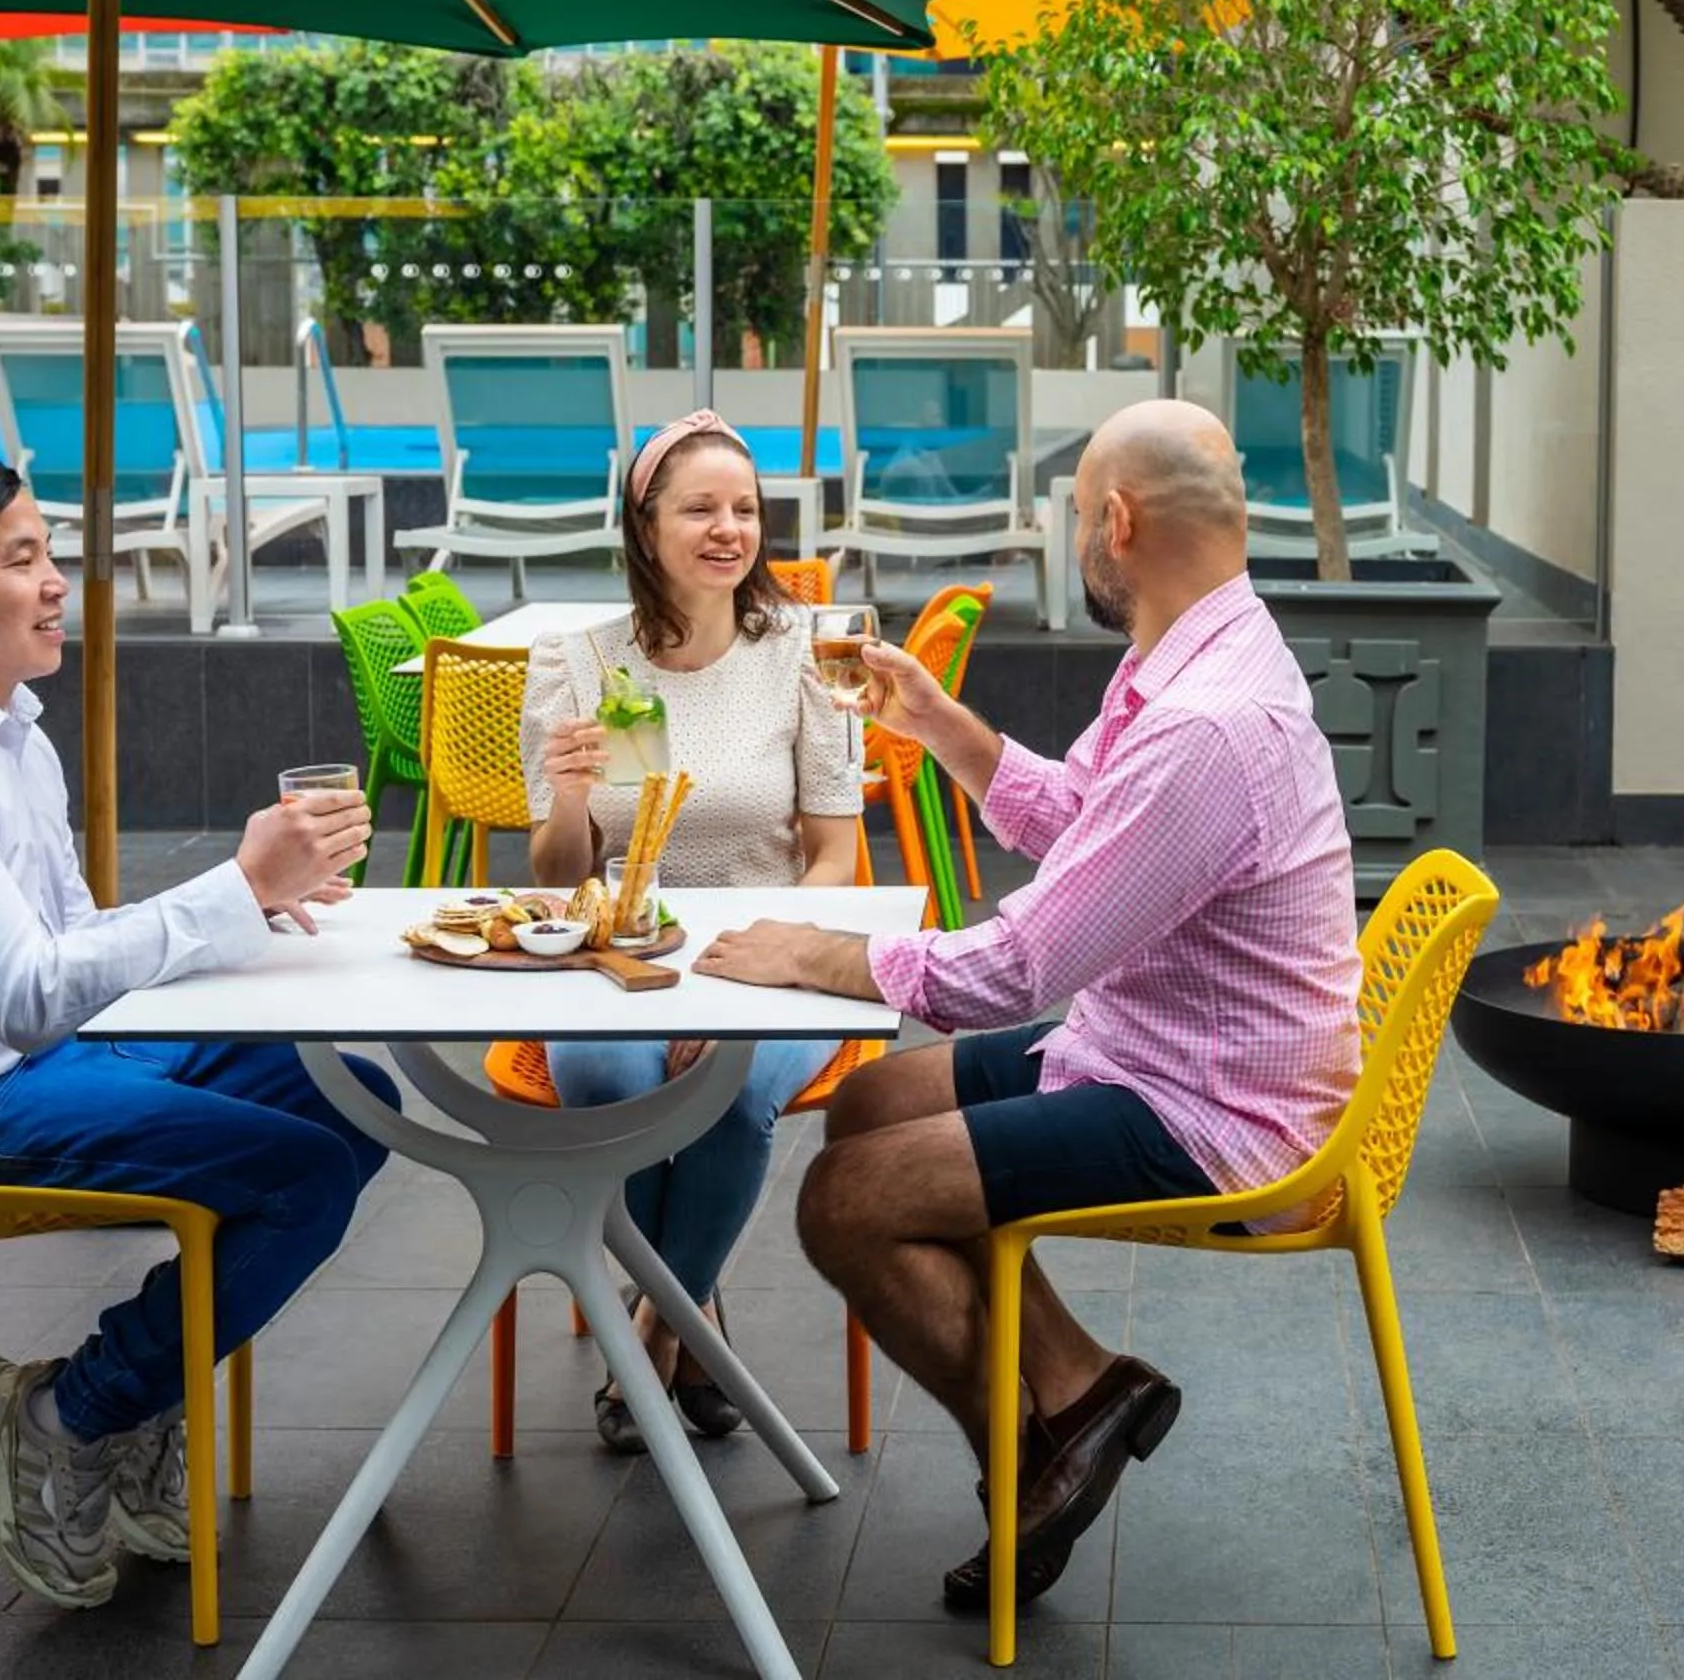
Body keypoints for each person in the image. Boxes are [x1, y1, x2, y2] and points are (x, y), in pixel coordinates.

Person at [688, 398, 1360, 1615]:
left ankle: (1046, 1426)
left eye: (1073, 517)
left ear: (1116, 520)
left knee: (847, 1201)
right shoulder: (1191, 656)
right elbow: (1086, 827)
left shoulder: (1210, 725)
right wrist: (939, 724)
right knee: (875, 1102)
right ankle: (1073, 1403)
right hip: (1155, 1046)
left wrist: (819, 954)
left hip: (1216, 1110)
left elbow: (1016, 970)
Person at [0, 453, 390, 1612]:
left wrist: (245, 897)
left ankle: (134, 1408)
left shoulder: (7, 733)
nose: (59, 582)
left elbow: (69, 938)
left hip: (32, 1054)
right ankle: (67, 1413)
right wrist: (233, 888)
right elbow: (28, 993)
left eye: (51, 551)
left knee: (347, 1099)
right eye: (22, 558)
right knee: (301, 1170)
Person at [518, 409, 862, 1452]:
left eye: (746, 509)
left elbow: (837, 855)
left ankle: (654, 1334)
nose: (730, 529)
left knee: (726, 1096)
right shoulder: (579, 662)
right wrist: (570, 800)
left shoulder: (808, 649)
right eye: (701, 507)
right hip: (621, 957)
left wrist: (765, 976)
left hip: (777, 959)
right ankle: (694, 1314)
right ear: (644, 521)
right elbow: (556, 875)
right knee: (609, 1085)